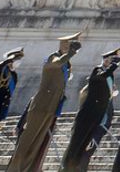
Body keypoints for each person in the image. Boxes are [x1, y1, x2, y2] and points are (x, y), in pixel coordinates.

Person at [6, 34, 81, 172]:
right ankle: (14, 169)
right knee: (27, 141)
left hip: (51, 107)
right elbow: (56, 64)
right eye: (68, 45)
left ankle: (27, 168)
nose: (69, 47)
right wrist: (71, 53)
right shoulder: (52, 58)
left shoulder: (66, 64)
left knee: (37, 143)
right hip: (41, 105)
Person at [62, 47, 120, 172]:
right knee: (78, 146)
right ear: (105, 60)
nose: (112, 62)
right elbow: (100, 78)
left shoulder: (109, 75)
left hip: (100, 115)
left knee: (87, 147)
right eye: (111, 59)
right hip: (89, 115)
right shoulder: (97, 70)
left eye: (114, 60)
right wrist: (113, 66)